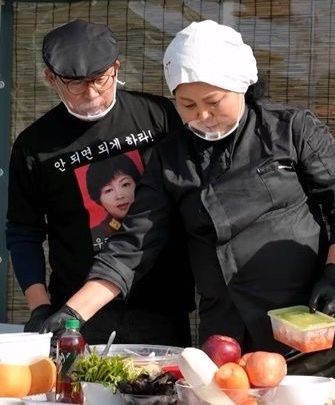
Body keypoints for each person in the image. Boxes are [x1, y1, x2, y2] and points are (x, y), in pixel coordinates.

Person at [39, 19, 335, 386]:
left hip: (306, 330)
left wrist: (332, 275)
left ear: (241, 85)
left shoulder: (292, 130)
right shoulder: (170, 158)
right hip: (225, 341)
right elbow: (131, 247)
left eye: (214, 102)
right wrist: (72, 312)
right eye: (187, 104)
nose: (201, 116)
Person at [6, 19, 195, 346]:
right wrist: (40, 306)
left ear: (116, 67)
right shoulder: (34, 145)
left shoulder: (157, 115)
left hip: (162, 299)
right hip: (77, 308)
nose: (91, 93)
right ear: (51, 79)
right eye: (75, 84)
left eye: (99, 79)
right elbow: (24, 230)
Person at [85, 153, 141, 247]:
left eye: (125, 184)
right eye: (108, 190)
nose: (119, 196)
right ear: (98, 198)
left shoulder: (158, 213)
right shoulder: (95, 236)